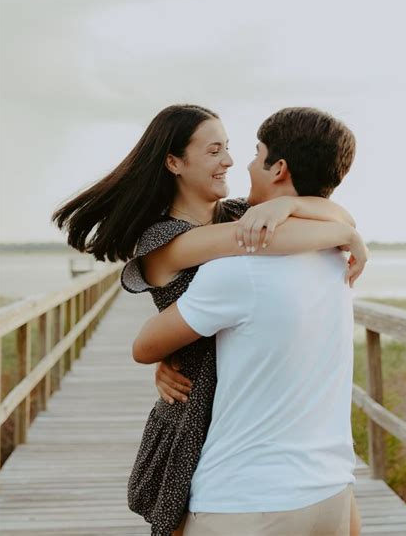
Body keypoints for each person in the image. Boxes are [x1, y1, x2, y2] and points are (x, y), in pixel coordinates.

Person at [52, 104, 365, 536]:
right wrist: (346, 235)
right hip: (195, 415)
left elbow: (334, 212)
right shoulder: (166, 240)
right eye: (214, 150)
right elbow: (301, 233)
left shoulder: (237, 213)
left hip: (239, 402)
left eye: (231, 149)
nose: (230, 161)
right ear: (174, 162)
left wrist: (291, 204)